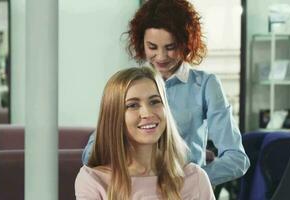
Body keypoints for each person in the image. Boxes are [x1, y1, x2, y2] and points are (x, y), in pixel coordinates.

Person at [83, 0, 250, 188]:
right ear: (141, 44)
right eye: (152, 47)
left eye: (170, 47)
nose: (161, 57)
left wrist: (192, 180)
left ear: (186, 43)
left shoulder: (205, 85)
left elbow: (237, 159)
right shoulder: (126, 85)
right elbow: (91, 154)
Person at [75, 67, 215, 200]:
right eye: (133, 105)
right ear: (114, 116)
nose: (147, 113)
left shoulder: (195, 178)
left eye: (154, 102)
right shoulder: (93, 180)